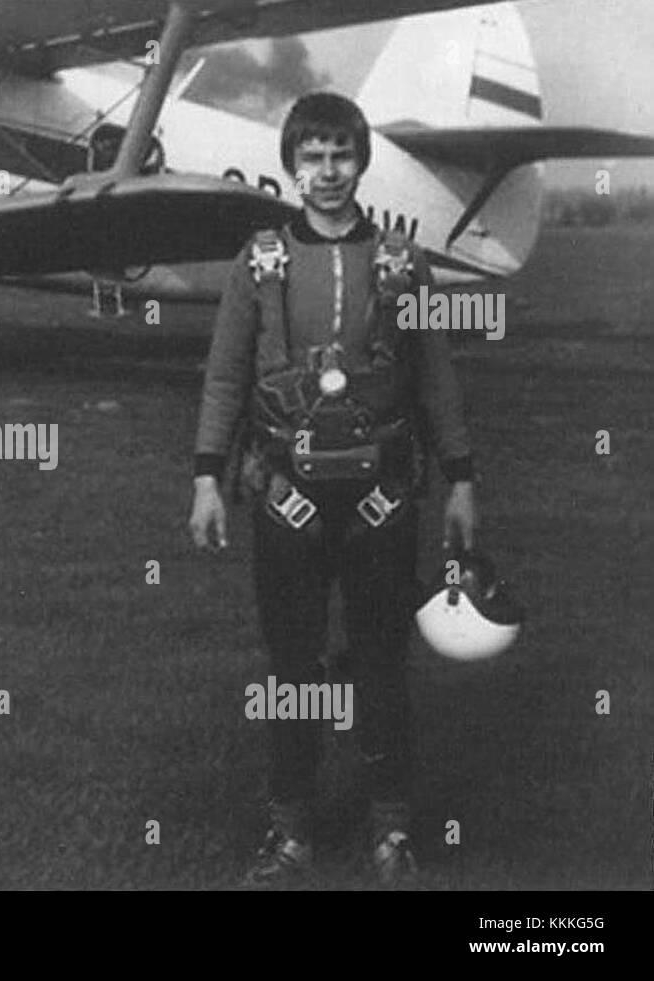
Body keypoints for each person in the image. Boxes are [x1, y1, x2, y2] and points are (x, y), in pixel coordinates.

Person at [188, 91, 477, 887]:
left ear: (361, 161)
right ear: (291, 165)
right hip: (286, 498)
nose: (326, 173)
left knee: (383, 660)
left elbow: (436, 377)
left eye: (340, 155)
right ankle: (291, 832)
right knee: (292, 668)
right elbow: (224, 375)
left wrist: (460, 480)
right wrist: (208, 478)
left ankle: (391, 829)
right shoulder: (259, 263)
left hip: (383, 497)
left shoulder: (401, 263)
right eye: (311, 157)